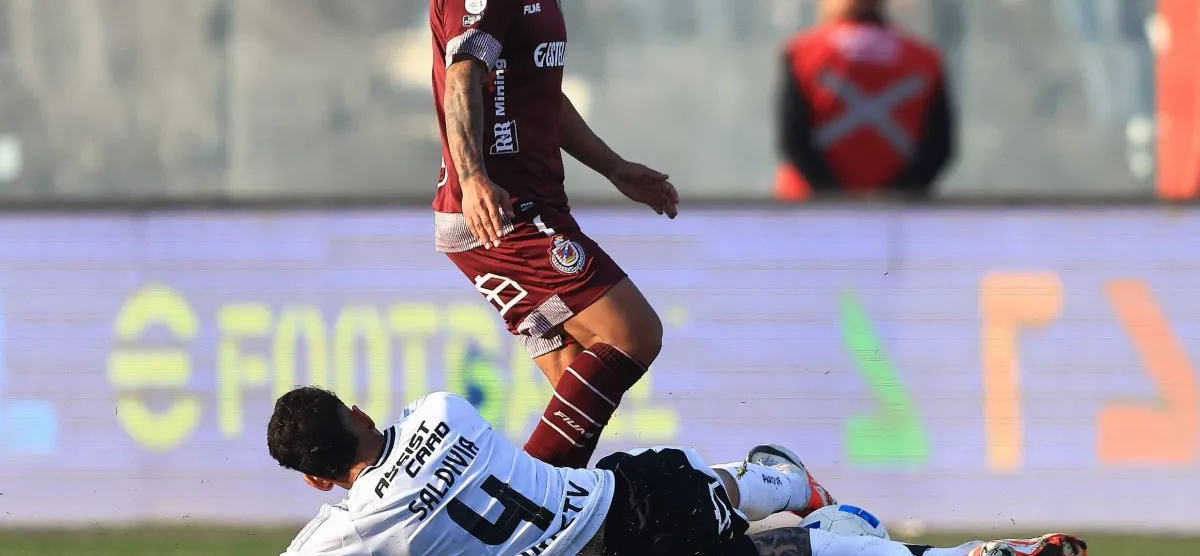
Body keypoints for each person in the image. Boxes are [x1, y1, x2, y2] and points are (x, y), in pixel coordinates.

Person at [428, 0, 679, 470]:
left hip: (528, 204)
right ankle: (522, 513)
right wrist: (476, 177)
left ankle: (549, 514)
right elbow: (463, 79)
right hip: (505, 210)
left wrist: (616, 168)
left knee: (575, 389)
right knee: (634, 332)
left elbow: (544, 99)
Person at [266, 386, 1088, 556]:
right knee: (714, 484)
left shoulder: (351, 532)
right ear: (361, 413)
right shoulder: (441, 409)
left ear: (313, 479)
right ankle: (795, 489)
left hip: (599, 552)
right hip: (627, 499)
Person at [774, 0, 954, 200]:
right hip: (895, 216)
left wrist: (836, 197)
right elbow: (939, 147)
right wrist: (891, 198)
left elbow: (793, 139)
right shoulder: (924, 60)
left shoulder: (804, 53)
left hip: (809, 210)